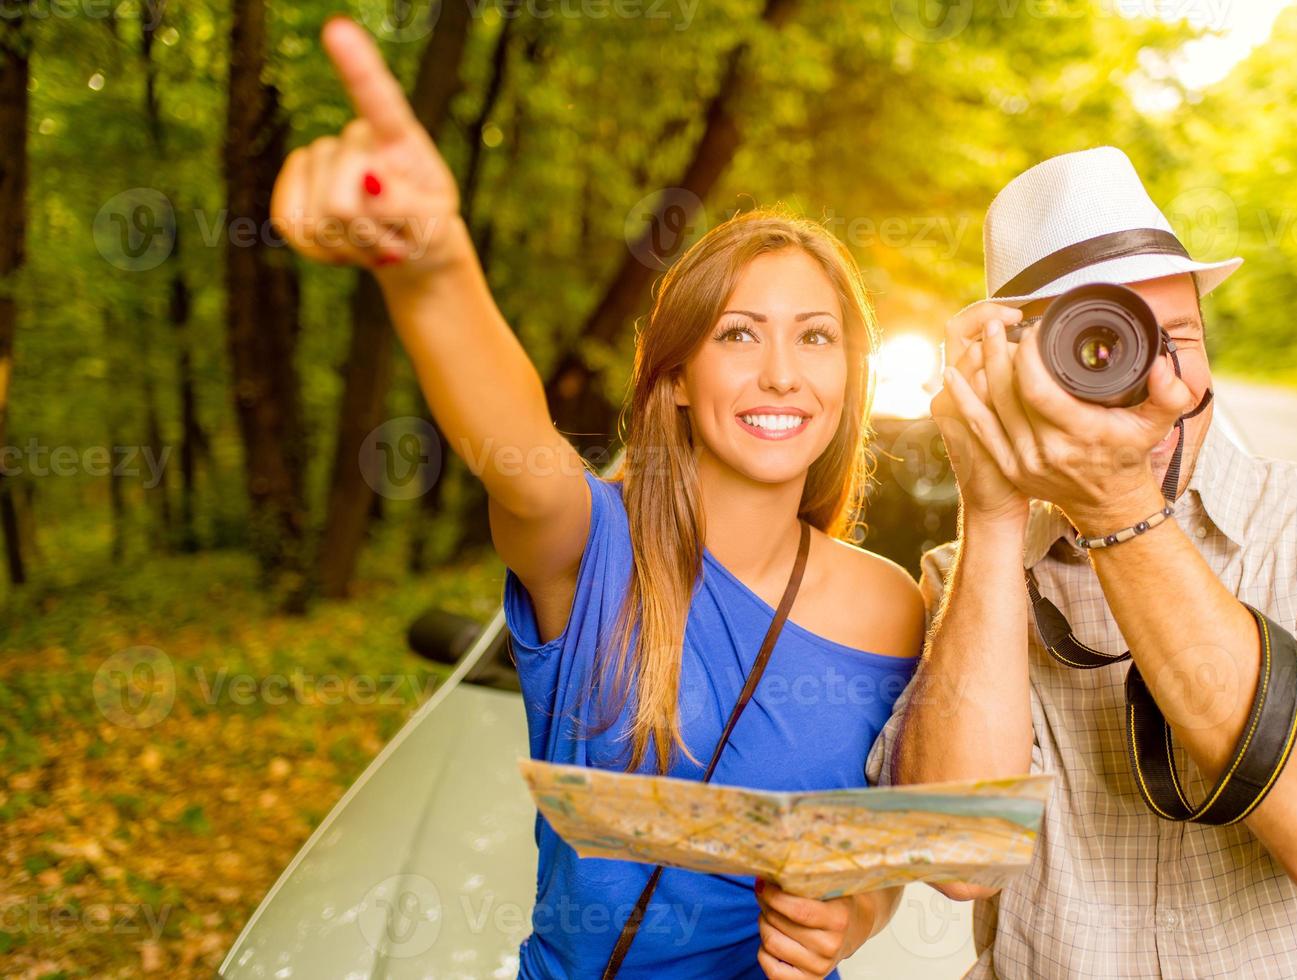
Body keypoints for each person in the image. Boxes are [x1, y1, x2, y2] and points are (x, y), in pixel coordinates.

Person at [272, 17, 926, 980]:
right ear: (675, 382)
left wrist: (858, 916)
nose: (782, 372)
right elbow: (518, 454)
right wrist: (432, 266)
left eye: (816, 337)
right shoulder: (590, 550)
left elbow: (877, 845)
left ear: (848, 382)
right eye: (739, 335)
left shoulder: (892, 605)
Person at [867, 145, 1297, 977]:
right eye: (1096, 347)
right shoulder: (972, 577)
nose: (1152, 384)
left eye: (1175, 336)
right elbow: (959, 857)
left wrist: (1118, 507)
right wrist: (995, 511)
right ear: (1009, 376)